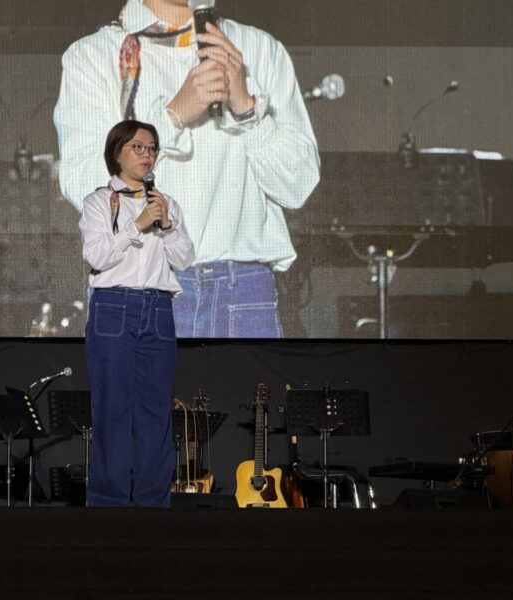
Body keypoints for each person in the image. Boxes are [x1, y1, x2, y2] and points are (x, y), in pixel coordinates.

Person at [54, 0, 320, 338]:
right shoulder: (94, 56)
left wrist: (246, 109)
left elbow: (298, 186)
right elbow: (86, 186)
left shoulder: (258, 49)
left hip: (242, 290)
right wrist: (171, 118)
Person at [80, 119, 195, 507]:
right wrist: (136, 225)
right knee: (112, 409)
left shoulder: (165, 202)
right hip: (114, 307)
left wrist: (167, 225)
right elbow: (97, 256)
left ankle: (153, 506)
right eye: (138, 147)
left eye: (152, 148)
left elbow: (184, 259)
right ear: (117, 153)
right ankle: (108, 505)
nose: (147, 155)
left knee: (156, 413)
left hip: (159, 308)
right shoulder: (99, 202)